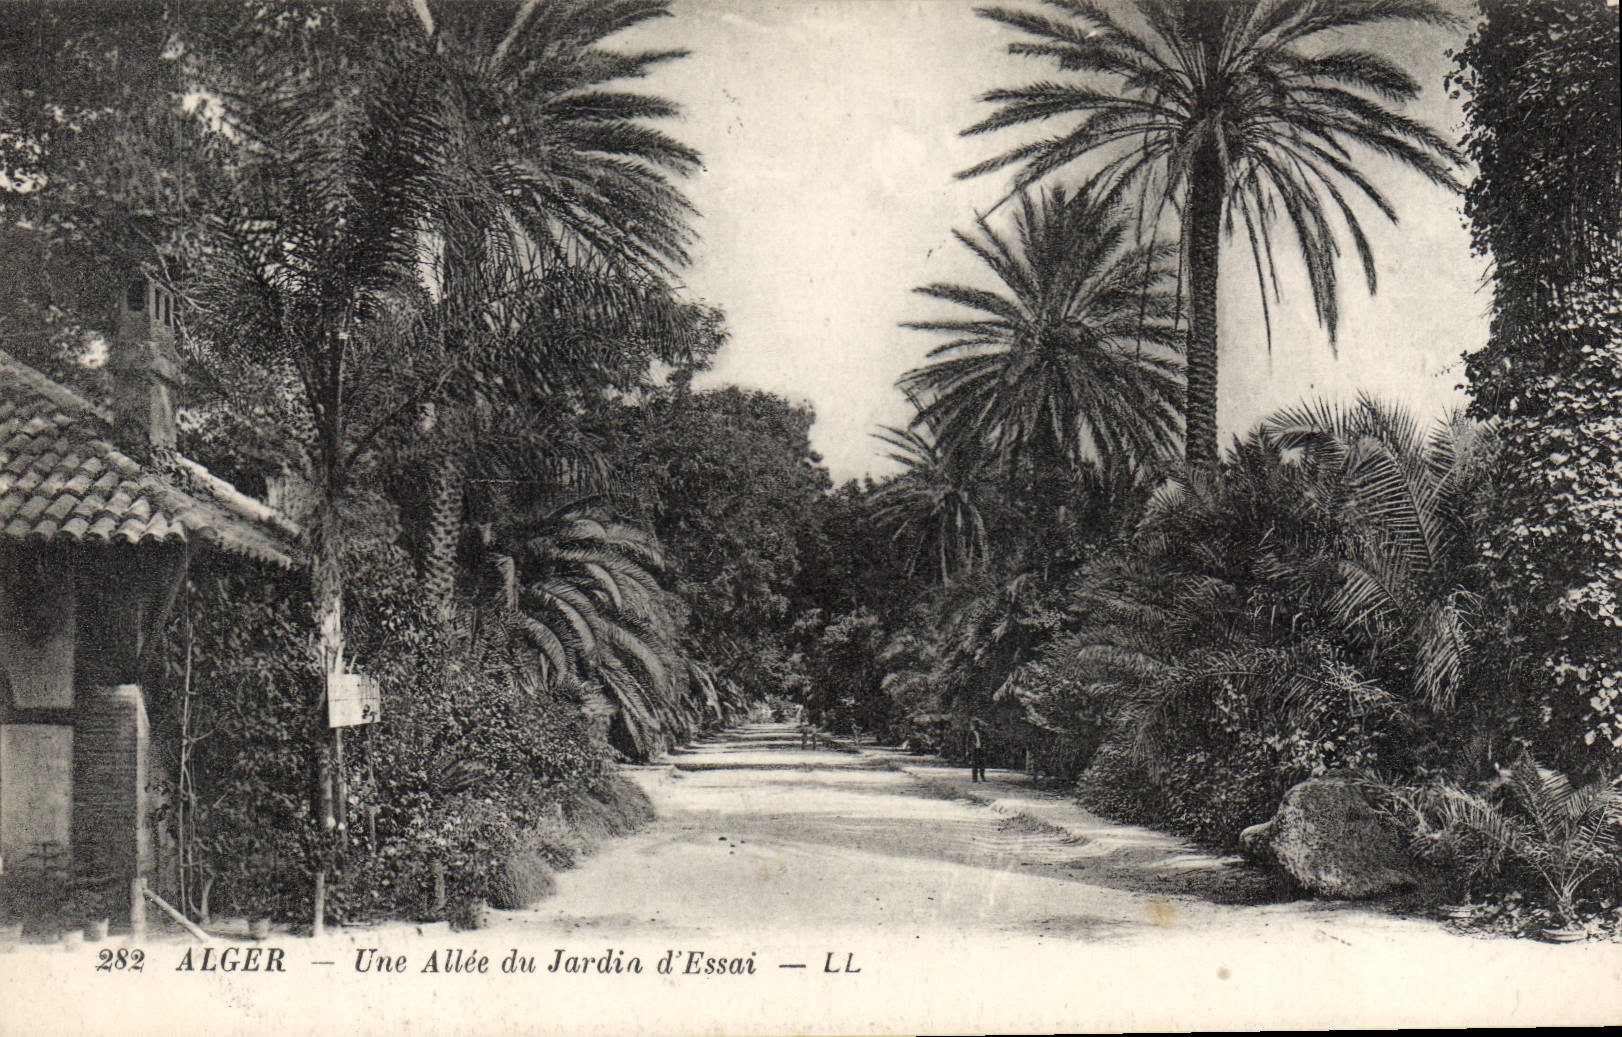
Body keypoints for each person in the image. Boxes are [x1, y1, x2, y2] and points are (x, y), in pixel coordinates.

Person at [968, 718, 986, 783]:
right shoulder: (970, 734)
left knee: (982, 764)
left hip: (981, 749)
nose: (972, 727)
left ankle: (982, 777)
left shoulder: (982, 733)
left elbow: (985, 740)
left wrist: (984, 747)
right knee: (974, 764)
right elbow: (968, 743)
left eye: (973, 725)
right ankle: (974, 779)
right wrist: (968, 750)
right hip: (974, 750)